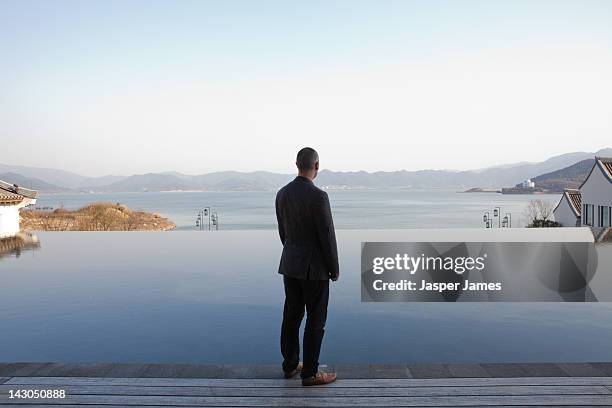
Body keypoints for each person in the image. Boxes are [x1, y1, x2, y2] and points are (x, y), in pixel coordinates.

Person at [275, 147, 339, 386]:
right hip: (314, 269)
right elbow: (327, 236)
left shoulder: (282, 194)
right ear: (317, 166)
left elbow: (284, 234)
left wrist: (293, 253)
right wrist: (334, 268)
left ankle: (290, 365)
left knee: (291, 317)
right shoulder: (318, 196)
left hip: (290, 265)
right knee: (316, 320)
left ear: (296, 164)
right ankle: (310, 373)